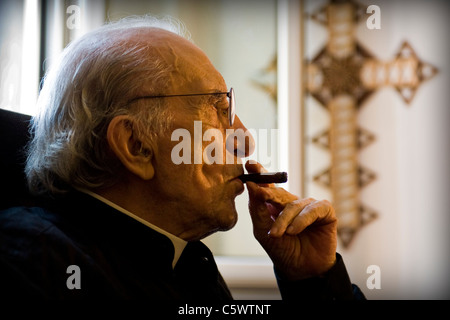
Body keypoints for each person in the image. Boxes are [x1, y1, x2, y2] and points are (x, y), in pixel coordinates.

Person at [0, 16, 364, 300]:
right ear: (136, 145)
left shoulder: (184, 259)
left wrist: (314, 280)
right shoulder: (33, 266)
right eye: (219, 108)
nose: (246, 141)